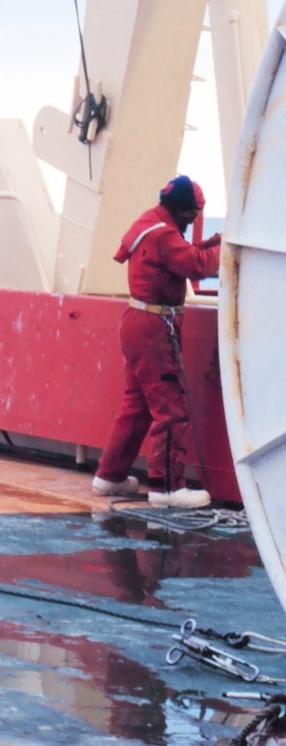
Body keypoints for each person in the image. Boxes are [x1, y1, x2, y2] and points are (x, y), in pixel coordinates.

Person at [91, 175, 222, 509]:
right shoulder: (165, 235)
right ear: (178, 208)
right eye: (192, 213)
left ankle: (110, 476)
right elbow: (196, 263)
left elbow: (187, 253)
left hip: (137, 323)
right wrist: (227, 248)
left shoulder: (151, 224)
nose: (194, 219)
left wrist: (216, 240)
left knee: (136, 407)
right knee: (170, 408)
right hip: (155, 328)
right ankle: (166, 489)